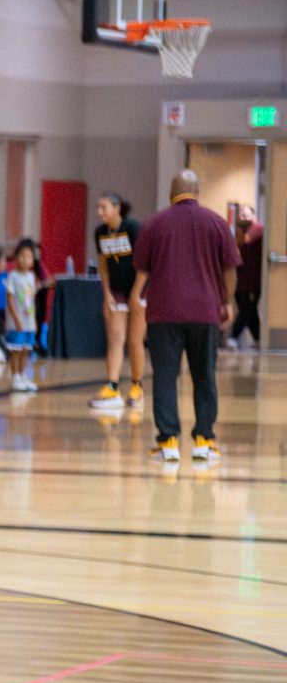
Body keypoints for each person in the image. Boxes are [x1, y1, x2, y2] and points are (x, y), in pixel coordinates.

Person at [130, 169, 241, 464]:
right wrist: (227, 302)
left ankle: (167, 441)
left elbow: (142, 268)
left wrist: (135, 298)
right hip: (205, 311)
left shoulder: (153, 224)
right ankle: (204, 440)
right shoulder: (217, 223)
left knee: (166, 377)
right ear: (198, 192)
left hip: (163, 312)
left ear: (171, 192)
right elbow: (230, 269)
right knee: (204, 376)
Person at [90, 193, 145, 410]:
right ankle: (112, 386)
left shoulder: (133, 228)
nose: (99, 212)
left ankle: (137, 386)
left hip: (140, 287)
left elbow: (144, 264)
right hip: (116, 289)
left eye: (103, 208)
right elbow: (103, 265)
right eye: (98, 208)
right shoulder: (100, 233)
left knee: (134, 339)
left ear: (117, 208)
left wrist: (136, 293)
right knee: (115, 338)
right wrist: (106, 294)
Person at [4, 241, 42, 393]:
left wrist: (34, 320)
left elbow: (30, 299)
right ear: (16, 258)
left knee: (26, 349)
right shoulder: (13, 276)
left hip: (29, 320)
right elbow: (10, 299)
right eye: (22, 256)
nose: (25, 259)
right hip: (16, 321)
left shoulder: (31, 277)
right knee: (16, 350)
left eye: (29, 256)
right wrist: (16, 318)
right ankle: (15, 377)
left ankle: (22, 375)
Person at [230, 204, 264, 350]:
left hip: (251, 281)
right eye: (241, 214)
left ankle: (233, 336)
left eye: (247, 214)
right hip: (240, 280)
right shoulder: (237, 236)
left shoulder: (258, 232)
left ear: (254, 216)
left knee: (247, 309)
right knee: (251, 311)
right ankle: (258, 338)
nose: (244, 217)